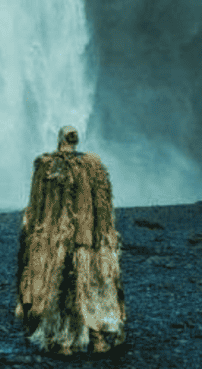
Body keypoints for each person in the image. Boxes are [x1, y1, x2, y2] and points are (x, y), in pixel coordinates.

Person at [15, 125, 126, 354]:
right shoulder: (94, 165)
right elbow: (104, 207)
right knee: (89, 285)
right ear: (76, 141)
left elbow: (37, 206)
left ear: (59, 140)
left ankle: (64, 340)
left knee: (60, 285)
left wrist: (34, 231)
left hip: (57, 237)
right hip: (87, 239)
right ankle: (97, 338)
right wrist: (104, 236)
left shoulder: (47, 165)